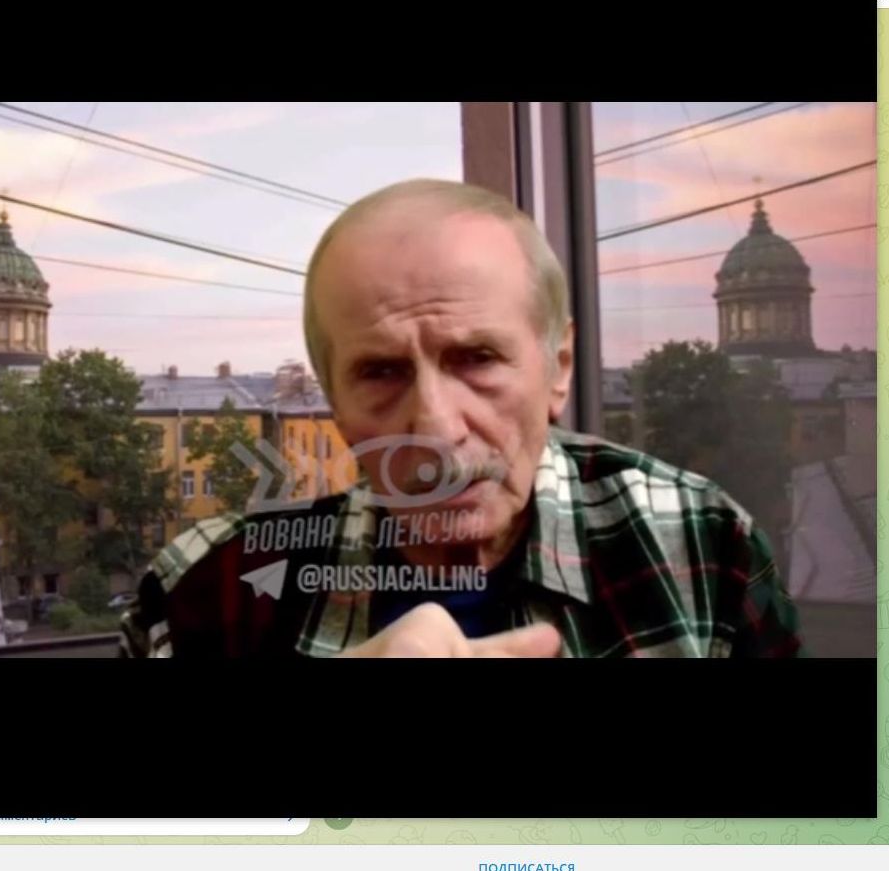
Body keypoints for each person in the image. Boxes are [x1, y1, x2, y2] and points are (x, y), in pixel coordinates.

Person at [120, 179, 803, 658]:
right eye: (380, 372)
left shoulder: (705, 549)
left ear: (558, 367)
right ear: (334, 402)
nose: (438, 429)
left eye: (477, 358)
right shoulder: (208, 590)